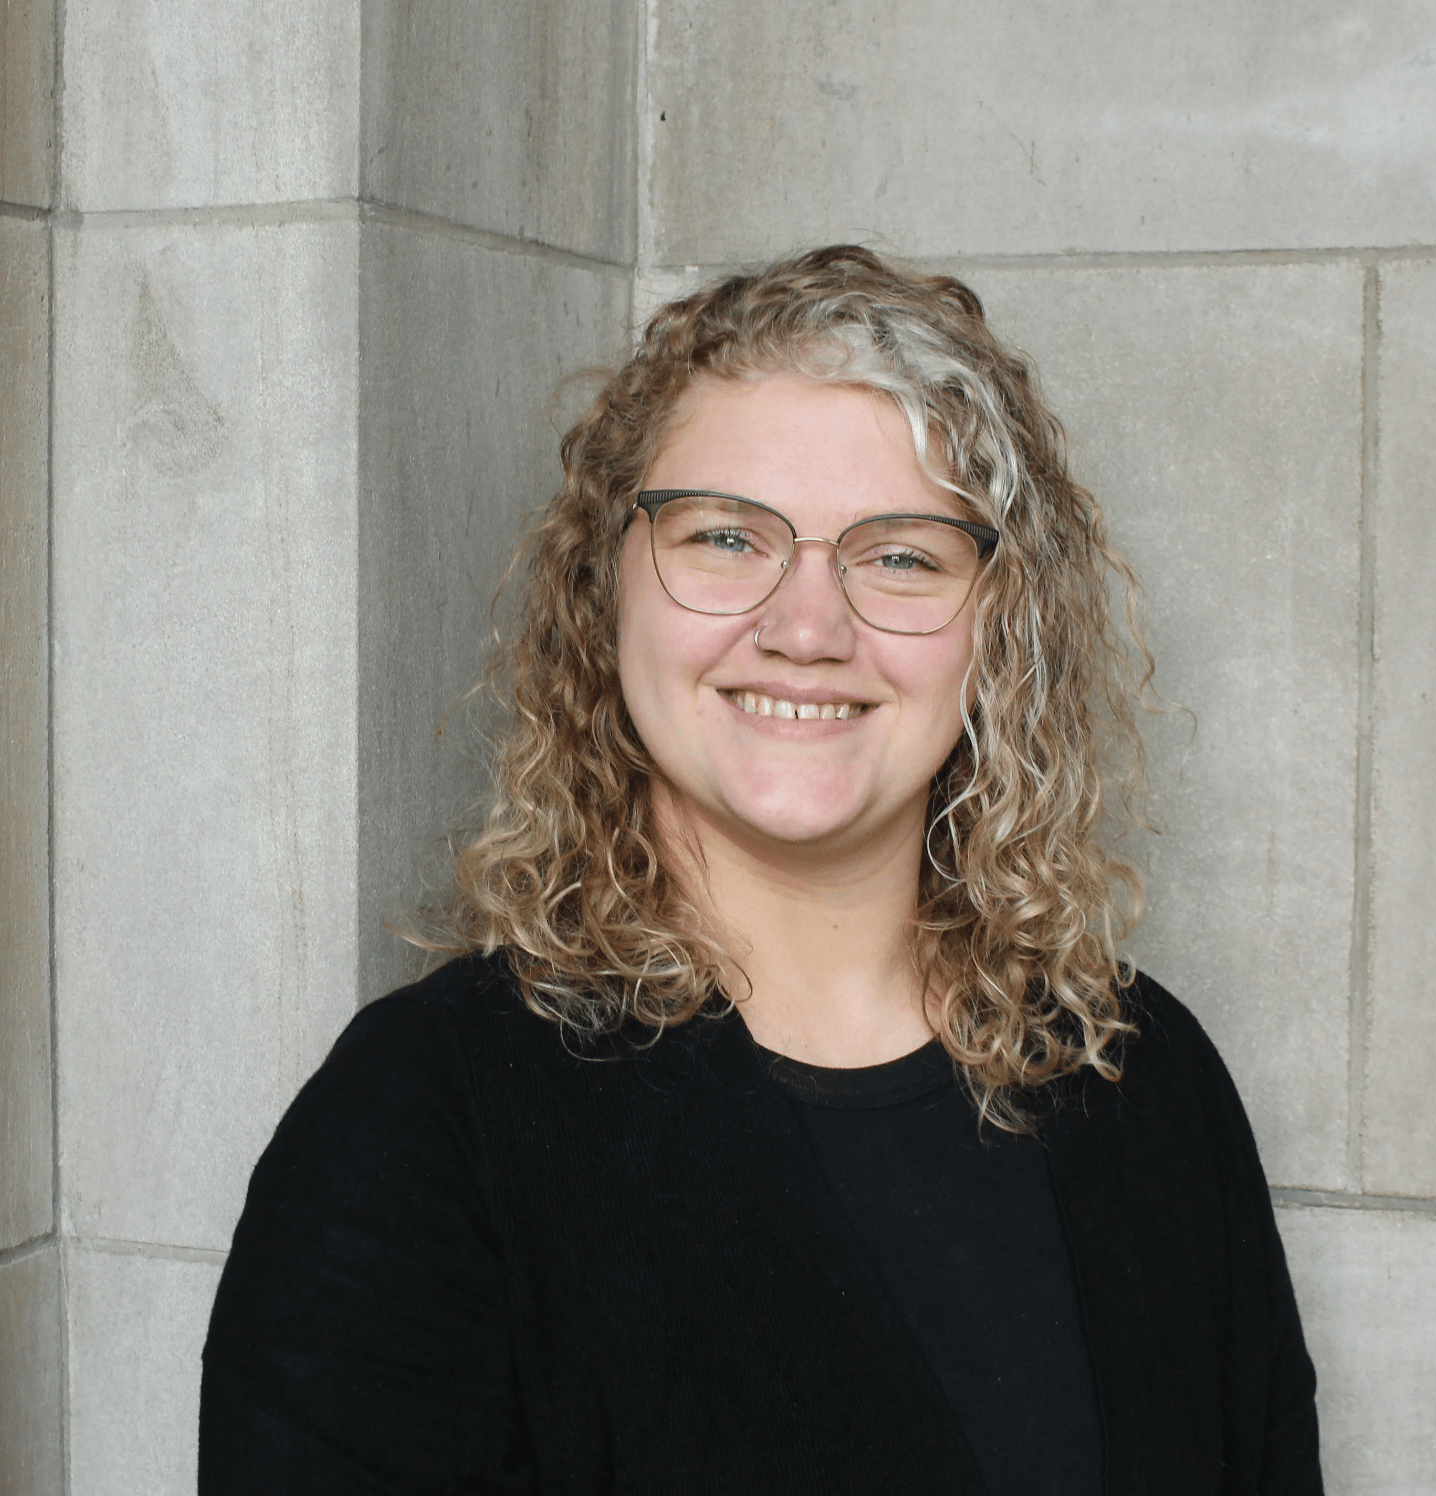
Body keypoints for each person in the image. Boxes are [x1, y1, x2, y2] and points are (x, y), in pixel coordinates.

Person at [199, 245, 1323, 1494]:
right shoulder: (424, 1126)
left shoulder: (1145, 1075)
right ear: (605, 589)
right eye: (727, 536)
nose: (804, 626)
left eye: (900, 554)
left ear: (999, 627)